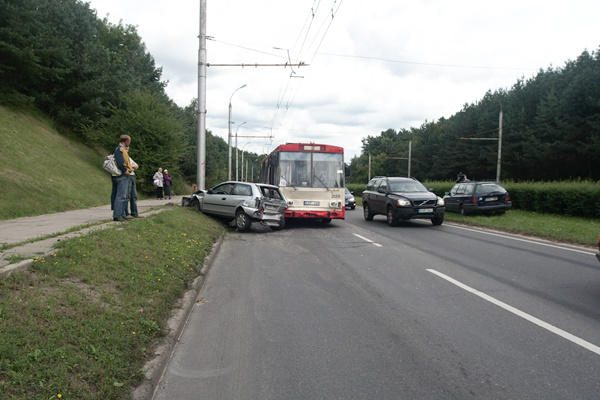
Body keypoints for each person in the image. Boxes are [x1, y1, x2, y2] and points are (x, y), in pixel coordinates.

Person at [113, 135, 134, 221]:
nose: (130, 143)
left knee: (124, 196)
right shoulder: (119, 149)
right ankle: (117, 215)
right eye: (129, 141)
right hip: (122, 175)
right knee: (120, 196)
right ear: (125, 141)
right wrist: (125, 170)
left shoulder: (124, 150)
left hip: (126, 174)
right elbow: (119, 161)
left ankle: (122, 214)